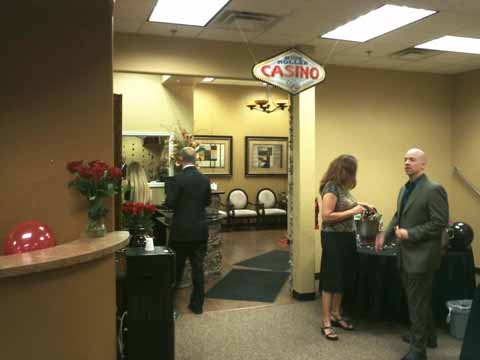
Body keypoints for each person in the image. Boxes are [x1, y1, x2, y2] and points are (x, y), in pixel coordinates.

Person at [376, 148, 449, 360]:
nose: (407, 162)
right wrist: (385, 235)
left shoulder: (434, 189)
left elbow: (439, 223)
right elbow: (398, 215)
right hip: (406, 254)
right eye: (405, 159)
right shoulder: (405, 189)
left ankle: (419, 350)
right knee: (418, 300)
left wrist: (410, 233)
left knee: (417, 303)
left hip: (423, 256)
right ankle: (429, 335)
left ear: (423, 164)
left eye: (412, 159)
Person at [319, 154, 371, 341]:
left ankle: (336, 314)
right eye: (351, 171)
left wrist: (362, 205)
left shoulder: (343, 188)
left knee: (342, 277)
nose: (353, 175)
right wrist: (353, 211)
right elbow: (327, 215)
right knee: (330, 279)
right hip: (333, 238)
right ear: (344, 170)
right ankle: (325, 320)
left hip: (346, 237)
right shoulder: (331, 187)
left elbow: (346, 205)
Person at [166, 147, 211, 315]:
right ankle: (197, 305)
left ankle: (171, 307)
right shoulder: (205, 180)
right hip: (200, 230)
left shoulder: (176, 180)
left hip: (181, 232)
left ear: (180, 159)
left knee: (175, 271)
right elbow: (207, 202)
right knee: (198, 269)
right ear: (195, 159)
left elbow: (170, 203)